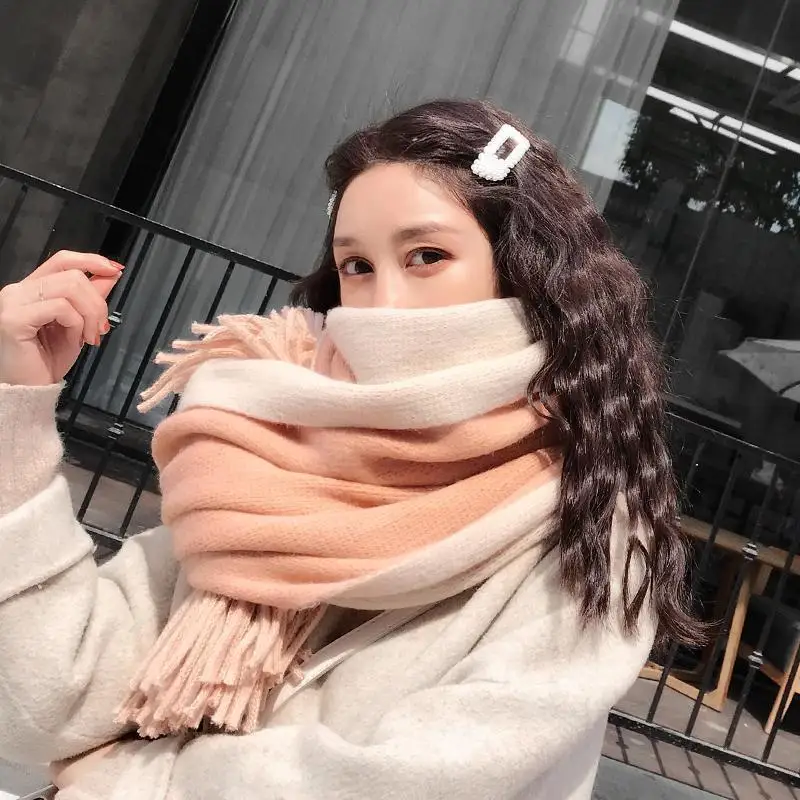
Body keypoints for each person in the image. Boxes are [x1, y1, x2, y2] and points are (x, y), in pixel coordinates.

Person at [0, 99, 701, 800]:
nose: (384, 302)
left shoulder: (585, 521)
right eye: (357, 265)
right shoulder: (268, 452)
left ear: (526, 270)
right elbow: (44, 702)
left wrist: (125, 780)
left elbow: (398, 783)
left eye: (428, 256)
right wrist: (16, 411)